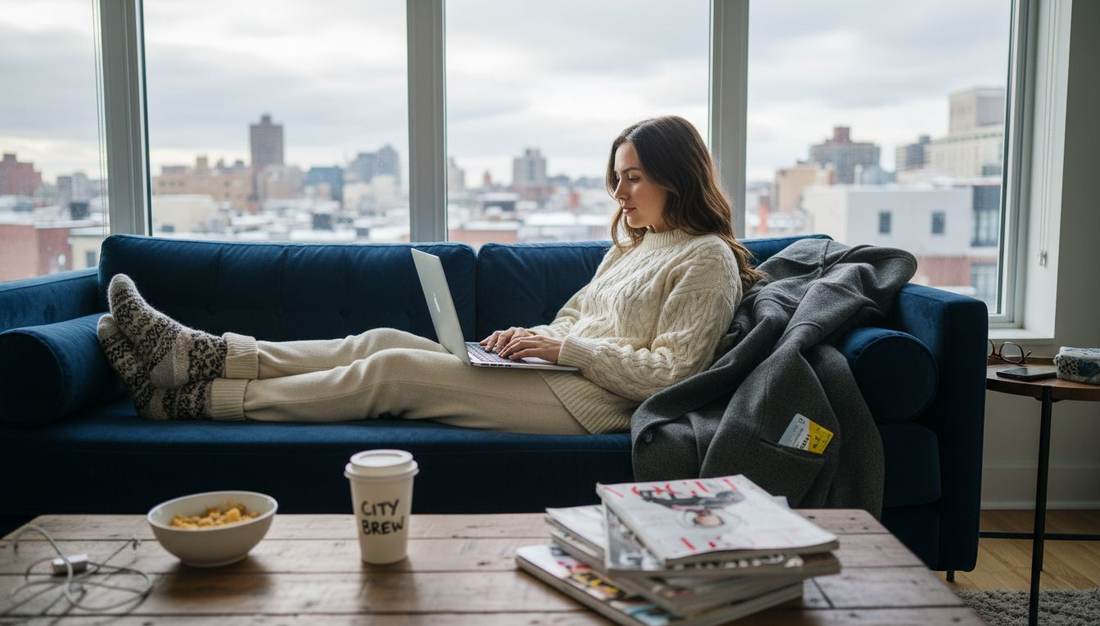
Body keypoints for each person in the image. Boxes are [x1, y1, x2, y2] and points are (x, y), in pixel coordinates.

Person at [97, 115, 765, 435]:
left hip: (600, 406)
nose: (619, 194)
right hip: (560, 375)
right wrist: (524, 339)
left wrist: (564, 350)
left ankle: (191, 400)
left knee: (394, 375)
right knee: (379, 342)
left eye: (633, 178)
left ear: (677, 175)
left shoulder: (705, 258)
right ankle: (196, 355)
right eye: (615, 179)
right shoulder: (633, 247)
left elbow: (672, 375)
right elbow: (572, 318)